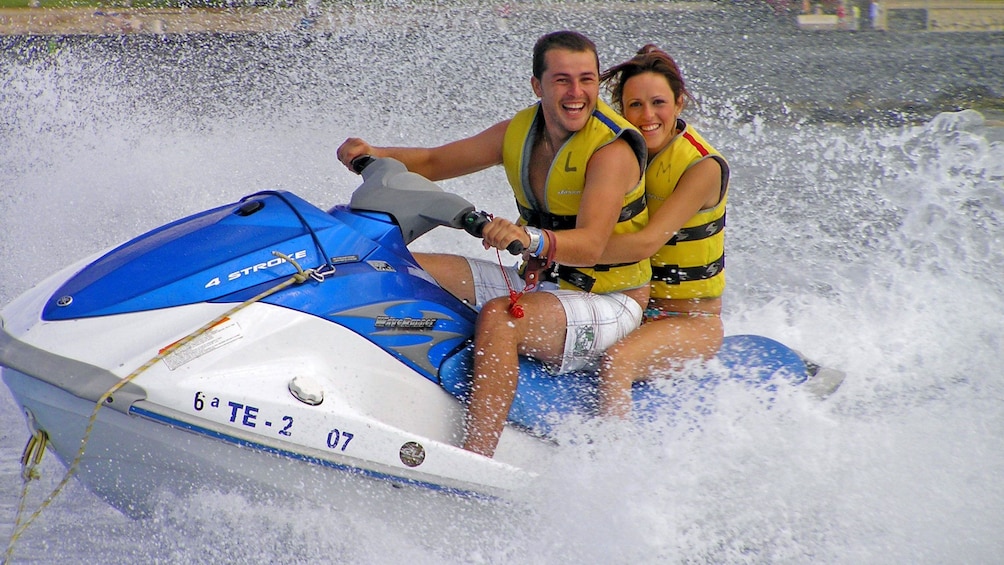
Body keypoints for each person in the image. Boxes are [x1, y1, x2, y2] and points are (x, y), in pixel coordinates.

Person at [336, 31, 650, 457]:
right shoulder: (520, 131)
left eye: (587, 80)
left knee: (500, 319)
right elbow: (433, 162)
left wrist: (528, 237)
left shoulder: (612, 150)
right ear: (537, 86)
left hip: (609, 299)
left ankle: (475, 457)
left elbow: (593, 245)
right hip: (542, 284)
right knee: (396, 265)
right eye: (562, 80)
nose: (576, 93)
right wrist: (374, 152)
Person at [595, 44, 730, 417]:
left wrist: (554, 248)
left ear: (679, 103)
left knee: (616, 362)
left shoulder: (703, 167)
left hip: (690, 321)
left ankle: (611, 461)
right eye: (634, 105)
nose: (647, 116)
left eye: (658, 103)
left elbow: (647, 241)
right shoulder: (616, 151)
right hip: (629, 306)